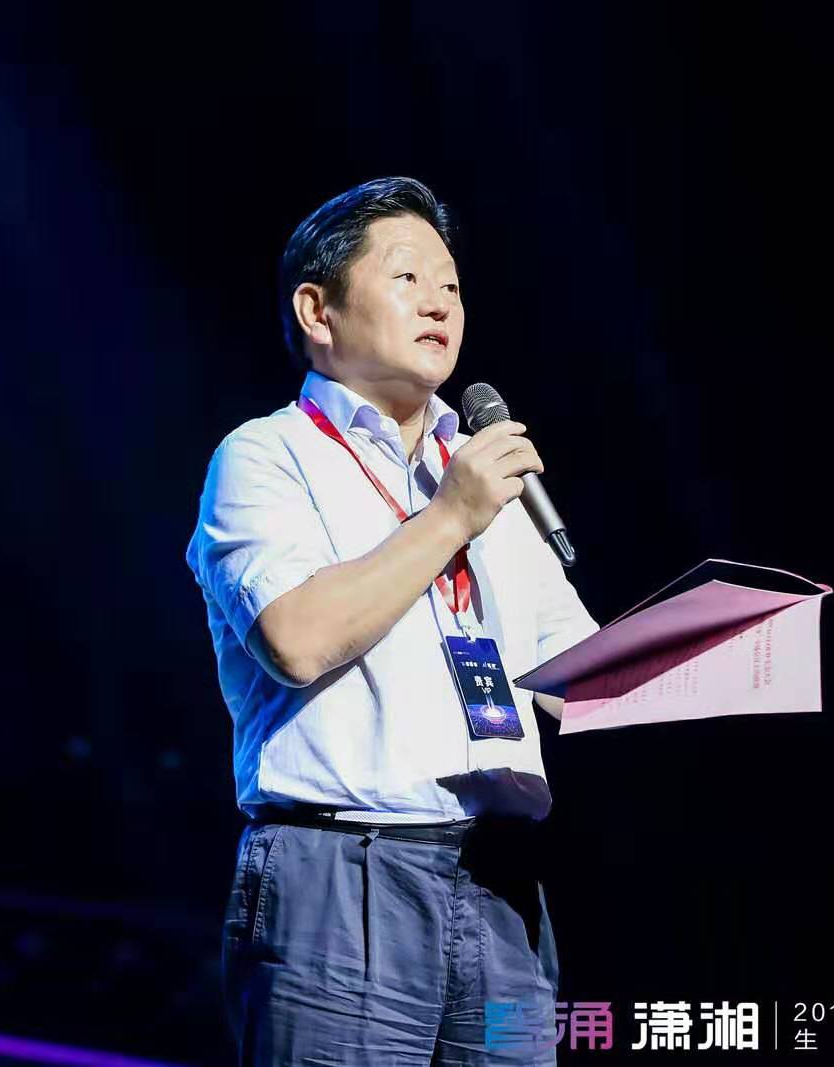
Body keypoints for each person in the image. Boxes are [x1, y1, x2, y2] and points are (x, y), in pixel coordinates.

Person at [184, 177, 600, 1064]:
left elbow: (575, 676)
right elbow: (297, 639)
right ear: (318, 310)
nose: (441, 303)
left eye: (452, 286)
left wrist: (693, 657)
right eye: (408, 277)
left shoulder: (484, 474)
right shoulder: (267, 455)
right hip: (344, 877)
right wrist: (450, 515)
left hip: (501, 888)